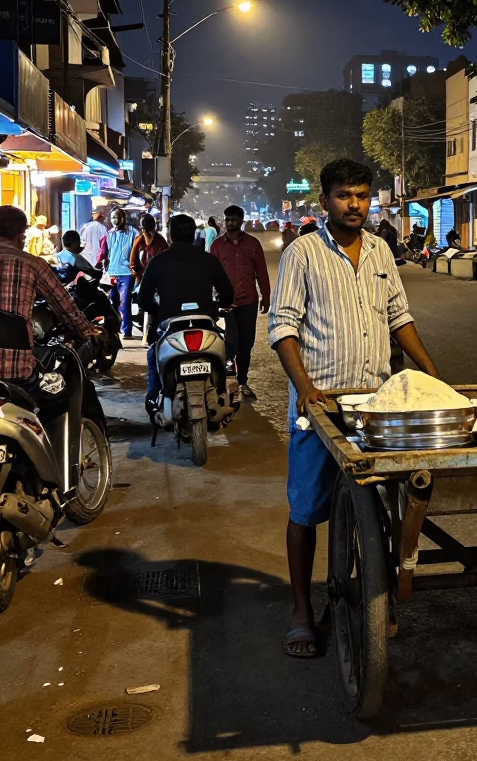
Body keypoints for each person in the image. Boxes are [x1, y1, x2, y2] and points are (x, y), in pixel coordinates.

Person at [270, 159, 439, 659]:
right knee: (306, 510)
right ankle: (302, 611)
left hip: (375, 406)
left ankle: (373, 598)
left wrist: (430, 371)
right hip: (320, 407)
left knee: (381, 510)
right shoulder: (303, 253)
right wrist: (305, 388)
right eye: (344, 195)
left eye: (362, 195)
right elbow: (283, 327)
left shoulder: (382, 250)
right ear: (325, 201)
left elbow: (398, 317)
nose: (354, 205)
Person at [0, 206, 101, 403]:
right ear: (20, 237)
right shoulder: (34, 265)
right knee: (57, 400)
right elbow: (66, 309)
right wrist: (88, 331)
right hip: (17, 376)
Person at [137, 214, 234, 410]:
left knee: (153, 354)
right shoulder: (209, 260)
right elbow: (227, 295)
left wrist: (160, 310)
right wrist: (215, 306)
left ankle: (154, 398)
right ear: (194, 234)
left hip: (169, 323)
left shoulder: (157, 262)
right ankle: (225, 391)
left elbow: (143, 300)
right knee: (226, 355)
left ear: (170, 235)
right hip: (205, 321)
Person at [210, 204, 271, 399]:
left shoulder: (252, 244)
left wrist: (266, 296)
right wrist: (210, 298)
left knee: (246, 344)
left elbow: (261, 271)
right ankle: (229, 379)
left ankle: (243, 381)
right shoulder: (217, 245)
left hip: (248, 300)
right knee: (231, 342)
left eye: (233, 219)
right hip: (226, 302)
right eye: (227, 219)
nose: (229, 223)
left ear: (241, 221)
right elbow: (210, 273)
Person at [102, 208, 138, 340]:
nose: (115, 220)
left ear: (124, 219)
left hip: (126, 273)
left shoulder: (133, 233)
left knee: (125, 302)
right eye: (113, 217)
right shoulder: (109, 234)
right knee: (112, 302)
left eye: (117, 217)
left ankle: (126, 330)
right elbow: (108, 253)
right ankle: (113, 330)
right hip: (112, 272)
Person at [129, 214, 168, 286]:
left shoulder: (160, 241)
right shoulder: (139, 240)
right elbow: (133, 259)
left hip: (156, 277)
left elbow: (165, 260)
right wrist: (135, 272)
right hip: (143, 276)